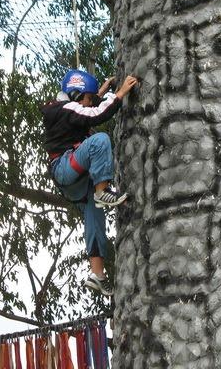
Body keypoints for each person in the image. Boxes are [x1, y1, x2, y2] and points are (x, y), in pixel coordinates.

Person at [41, 69, 138, 296]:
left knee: (95, 218)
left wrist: (101, 90)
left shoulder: (66, 109)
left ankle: (97, 274)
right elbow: (94, 114)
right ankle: (102, 190)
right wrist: (120, 93)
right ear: (75, 94)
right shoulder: (65, 108)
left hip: (74, 183)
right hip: (65, 166)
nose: (89, 102)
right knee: (99, 140)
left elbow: (86, 109)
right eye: (88, 98)